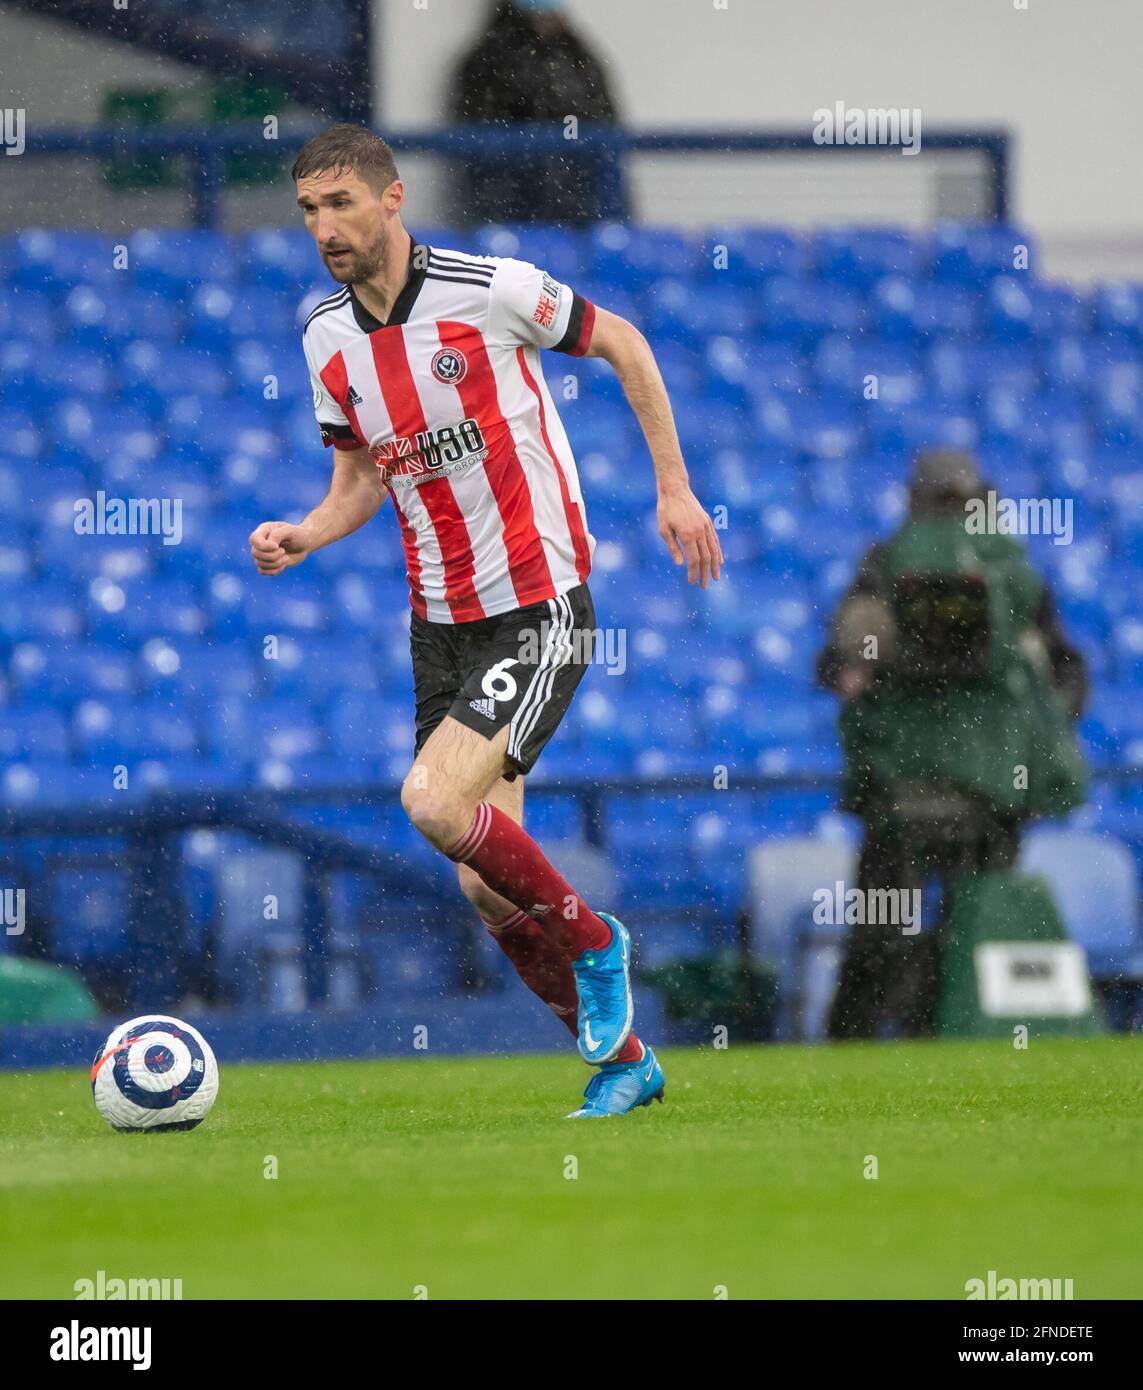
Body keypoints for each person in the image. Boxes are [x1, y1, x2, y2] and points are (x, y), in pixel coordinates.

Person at [248, 124, 723, 1116]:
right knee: (482, 883)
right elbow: (360, 478)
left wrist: (674, 489)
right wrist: (306, 532)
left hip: (540, 603)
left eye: (341, 204)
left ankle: (596, 940)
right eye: (308, 211)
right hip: (442, 623)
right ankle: (627, 1061)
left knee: (428, 802)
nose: (324, 227)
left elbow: (624, 342)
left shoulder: (491, 288)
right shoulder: (326, 337)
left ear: (392, 200)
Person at [816, 449, 1088, 1039]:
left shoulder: (886, 565)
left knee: (880, 933)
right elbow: (1067, 678)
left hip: (904, 789)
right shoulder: (1012, 573)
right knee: (979, 931)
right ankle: (953, 1031)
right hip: (992, 792)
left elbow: (838, 666)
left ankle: (854, 1042)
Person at [450, 0, 623, 224]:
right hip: (510, 208)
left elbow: (604, 121)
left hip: (579, 209)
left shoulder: (577, 56)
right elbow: (480, 130)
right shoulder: (489, 58)